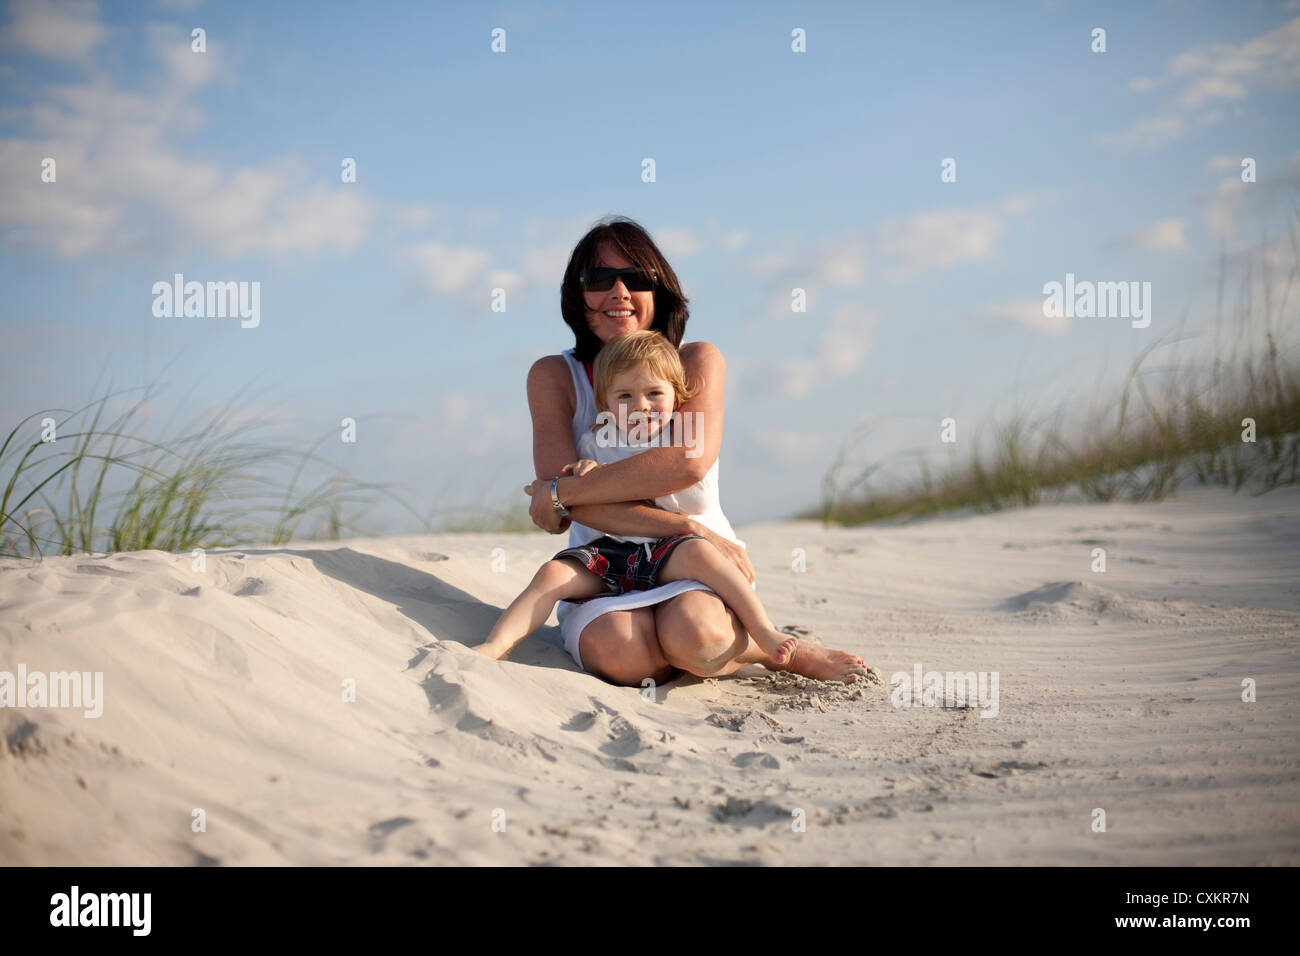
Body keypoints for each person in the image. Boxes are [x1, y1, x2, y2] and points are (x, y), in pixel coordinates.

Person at [513, 215, 872, 686]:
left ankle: (777, 652)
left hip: (701, 562)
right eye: (599, 279)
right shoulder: (554, 376)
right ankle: (709, 653)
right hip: (604, 568)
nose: (619, 292)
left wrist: (567, 490)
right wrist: (682, 526)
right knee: (624, 657)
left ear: (659, 290)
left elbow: (685, 462)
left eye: (635, 278)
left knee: (698, 639)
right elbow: (567, 507)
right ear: (577, 297)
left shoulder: (695, 361)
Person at [476, 330, 804, 668]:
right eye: (625, 396)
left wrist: (611, 486)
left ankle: (764, 632)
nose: (640, 406)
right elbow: (572, 498)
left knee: (701, 552)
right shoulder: (595, 443)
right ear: (604, 402)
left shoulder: (680, 438)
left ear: (676, 396)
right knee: (551, 574)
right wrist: (587, 474)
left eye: (654, 393)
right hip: (611, 552)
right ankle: (495, 645)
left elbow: (695, 495)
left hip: (668, 550)